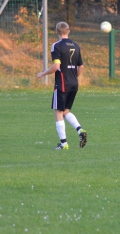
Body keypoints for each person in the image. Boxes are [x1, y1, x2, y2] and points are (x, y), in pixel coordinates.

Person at [36, 21, 87, 150]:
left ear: (57, 32)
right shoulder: (76, 45)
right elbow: (81, 67)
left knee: (58, 112)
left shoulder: (56, 46)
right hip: (74, 83)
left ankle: (64, 144)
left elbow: (56, 66)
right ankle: (80, 130)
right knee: (65, 111)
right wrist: (73, 78)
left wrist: (43, 74)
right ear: (68, 31)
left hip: (62, 83)